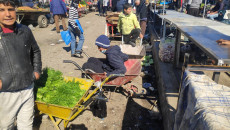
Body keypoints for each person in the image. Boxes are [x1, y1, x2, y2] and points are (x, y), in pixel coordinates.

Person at [0, 0, 42, 129]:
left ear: (16, 10)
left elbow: (35, 50)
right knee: (5, 126)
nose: (8, 14)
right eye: (2, 10)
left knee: (26, 125)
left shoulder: (24, 30)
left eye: (11, 9)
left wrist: (36, 71)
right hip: (5, 92)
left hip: (27, 88)